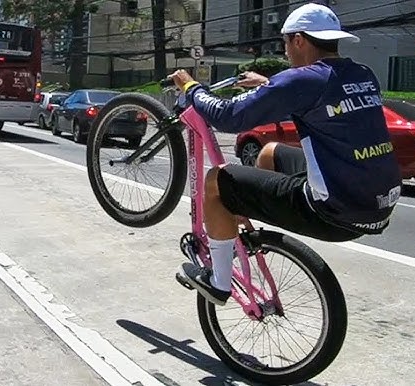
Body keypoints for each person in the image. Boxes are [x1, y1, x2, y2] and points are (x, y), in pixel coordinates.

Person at [170, 3, 402, 306]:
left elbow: (227, 117)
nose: (285, 52)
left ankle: (218, 283)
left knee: (215, 180)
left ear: (299, 40)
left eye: (285, 43)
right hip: (379, 204)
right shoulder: (362, 74)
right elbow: (319, 96)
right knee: (268, 154)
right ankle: (240, 208)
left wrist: (191, 87)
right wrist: (269, 86)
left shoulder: (301, 81)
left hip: (334, 212)